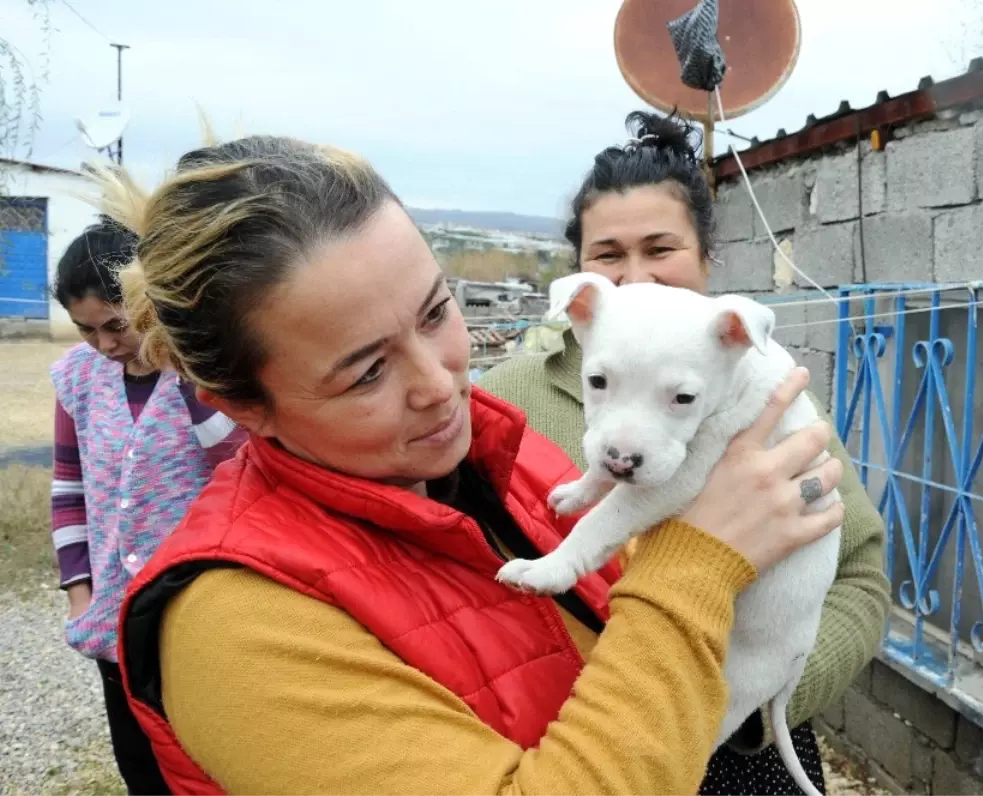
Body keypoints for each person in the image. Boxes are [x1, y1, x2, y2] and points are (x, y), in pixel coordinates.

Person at [92, 135, 847, 796]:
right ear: (241, 404)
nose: (440, 382)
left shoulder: (503, 462)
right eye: (366, 372)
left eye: (434, 312)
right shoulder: (237, 630)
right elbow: (672, 592)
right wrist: (700, 564)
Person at [478, 111, 890, 795]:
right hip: (581, 750)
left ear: (707, 259)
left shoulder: (769, 391)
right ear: (580, 280)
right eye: (608, 254)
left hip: (741, 741)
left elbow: (862, 573)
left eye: (660, 249)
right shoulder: (503, 399)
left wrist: (759, 698)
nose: (635, 278)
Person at [48, 220, 246, 795]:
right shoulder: (77, 380)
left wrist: (180, 359)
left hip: (200, 605)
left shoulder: (206, 366)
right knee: (141, 767)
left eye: (118, 325)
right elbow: (69, 488)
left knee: (212, 761)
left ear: (151, 303)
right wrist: (80, 594)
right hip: (114, 613)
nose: (108, 344)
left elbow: (236, 460)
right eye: (88, 332)